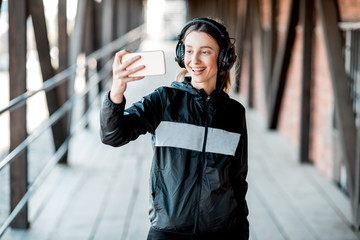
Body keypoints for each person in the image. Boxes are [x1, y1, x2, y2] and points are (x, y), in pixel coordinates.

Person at [100, 17, 249, 240]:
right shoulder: (164, 101)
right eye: (189, 51)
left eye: (205, 52)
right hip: (167, 232)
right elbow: (113, 135)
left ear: (224, 58)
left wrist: (241, 231)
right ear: (181, 55)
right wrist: (117, 90)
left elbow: (238, 179)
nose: (194, 60)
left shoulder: (234, 113)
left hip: (222, 233)